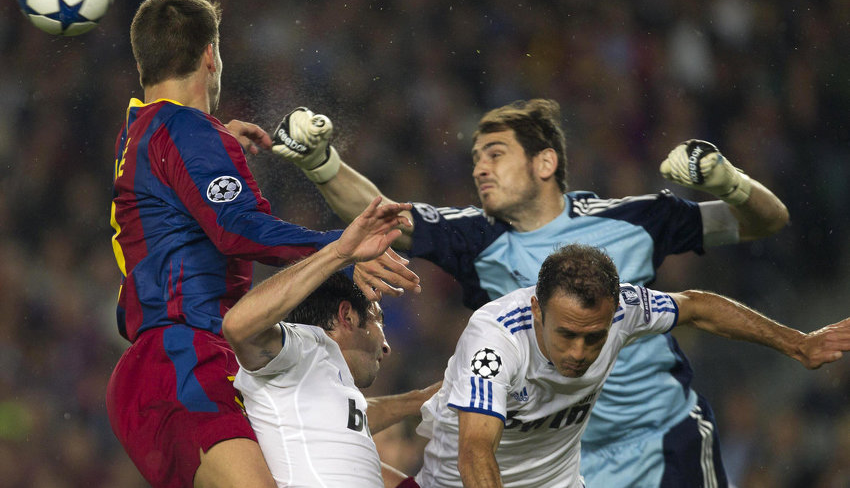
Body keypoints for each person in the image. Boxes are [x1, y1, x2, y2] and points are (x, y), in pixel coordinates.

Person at [272, 99, 790, 486]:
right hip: (565, 461)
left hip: (661, 439)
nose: (479, 167)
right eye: (476, 157)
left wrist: (726, 180)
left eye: (495, 154)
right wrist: (324, 165)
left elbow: (766, 222)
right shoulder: (475, 237)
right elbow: (385, 218)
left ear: (545, 164)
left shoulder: (635, 219)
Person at [105, 0, 420, 488]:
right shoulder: (185, 132)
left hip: (183, 361)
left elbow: (166, 204)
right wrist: (340, 247)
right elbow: (237, 229)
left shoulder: (142, 129)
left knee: (350, 466)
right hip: (182, 355)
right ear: (211, 55)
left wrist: (213, 145)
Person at [413, 243, 850, 488]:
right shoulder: (493, 340)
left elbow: (697, 306)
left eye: (594, 337)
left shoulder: (625, 308)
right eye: (567, 334)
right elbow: (475, 451)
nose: (581, 353)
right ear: (536, 312)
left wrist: (799, 344)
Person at [223, 197, 438, 488]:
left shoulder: (328, 390)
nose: (386, 345)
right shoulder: (302, 348)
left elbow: (356, 414)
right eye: (378, 320)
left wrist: (422, 400)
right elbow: (238, 326)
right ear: (346, 316)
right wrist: (338, 253)